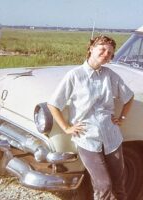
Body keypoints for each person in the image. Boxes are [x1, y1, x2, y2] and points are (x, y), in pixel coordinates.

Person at [47, 35, 134, 200]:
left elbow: (129, 97)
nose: (106, 54)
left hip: (112, 137)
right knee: (103, 185)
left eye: (110, 53)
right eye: (102, 49)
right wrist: (67, 128)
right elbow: (53, 104)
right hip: (87, 138)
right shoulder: (75, 75)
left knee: (119, 184)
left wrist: (122, 118)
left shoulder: (110, 75)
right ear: (91, 49)